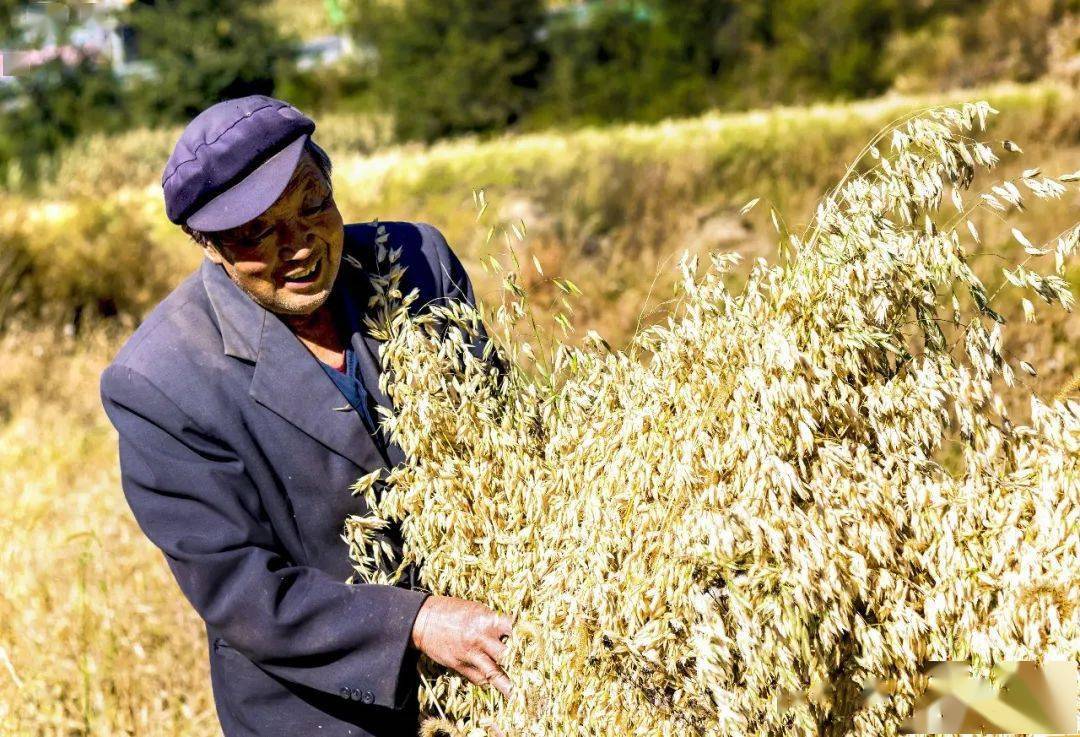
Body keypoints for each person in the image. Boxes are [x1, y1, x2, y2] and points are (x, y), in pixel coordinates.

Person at [99, 95, 513, 737]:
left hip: (495, 683)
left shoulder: (414, 261)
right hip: (329, 715)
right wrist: (417, 622)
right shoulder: (160, 381)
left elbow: (501, 434)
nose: (299, 246)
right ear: (207, 246)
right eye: (256, 233)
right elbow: (241, 590)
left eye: (313, 204)